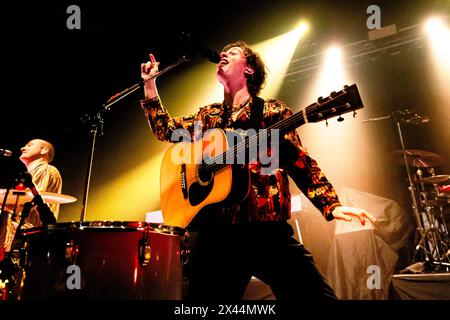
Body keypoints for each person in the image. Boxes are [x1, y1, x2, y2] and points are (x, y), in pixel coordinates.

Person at [139, 41, 376, 301]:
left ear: (249, 69)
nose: (224, 53)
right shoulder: (208, 117)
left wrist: (331, 204)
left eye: (233, 52)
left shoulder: (272, 112)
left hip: (267, 233)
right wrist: (150, 86)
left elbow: (300, 161)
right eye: (224, 50)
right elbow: (167, 130)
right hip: (218, 236)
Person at [1, 139, 62, 254]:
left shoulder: (47, 170)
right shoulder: (26, 176)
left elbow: (32, 200)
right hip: (18, 235)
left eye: (29, 145)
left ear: (44, 150)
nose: (22, 148)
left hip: (31, 236)